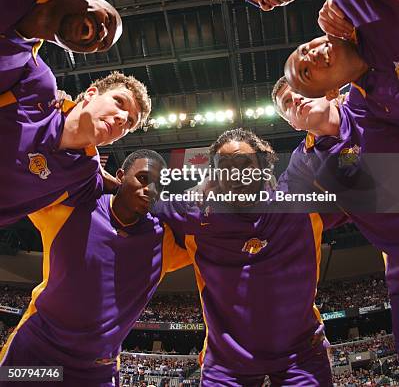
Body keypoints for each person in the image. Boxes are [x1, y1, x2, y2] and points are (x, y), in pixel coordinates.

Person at [154, 128, 339, 387]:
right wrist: (195, 191)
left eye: (245, 163)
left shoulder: (297, 203)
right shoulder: (195, 216)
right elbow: (142, 209)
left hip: (302, 353)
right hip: (227, 361)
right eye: (225, 167)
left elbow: (357, 171)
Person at [0, 150, 190, 387]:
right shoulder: (71, 209)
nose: (150, 190)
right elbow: (24, 164)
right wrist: (91, 171)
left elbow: (219, 240)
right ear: (120, 175)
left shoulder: (162, 241)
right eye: (142, 178)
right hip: (37, 357)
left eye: (158, 185)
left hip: (96, 372)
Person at [272, 76, 399, 349]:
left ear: (327, 90)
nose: (295, 99)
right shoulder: (303, 165)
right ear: (293, 123)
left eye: (300, 90)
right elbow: (274, 214)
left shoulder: (366, 96)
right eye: (287, 103)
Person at [0, 20, 151, 225]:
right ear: (90, 94)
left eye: (129, 122)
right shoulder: (36, 84)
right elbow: (15, 31)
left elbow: (130, 200)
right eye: (119, 102)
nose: (122, 118)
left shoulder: (84, 176)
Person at [284, 0, 399, 128]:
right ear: (332, 92)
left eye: (304, 50)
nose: (310, 55)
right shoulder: (381, 106)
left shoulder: (354, 5)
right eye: (306, 72)